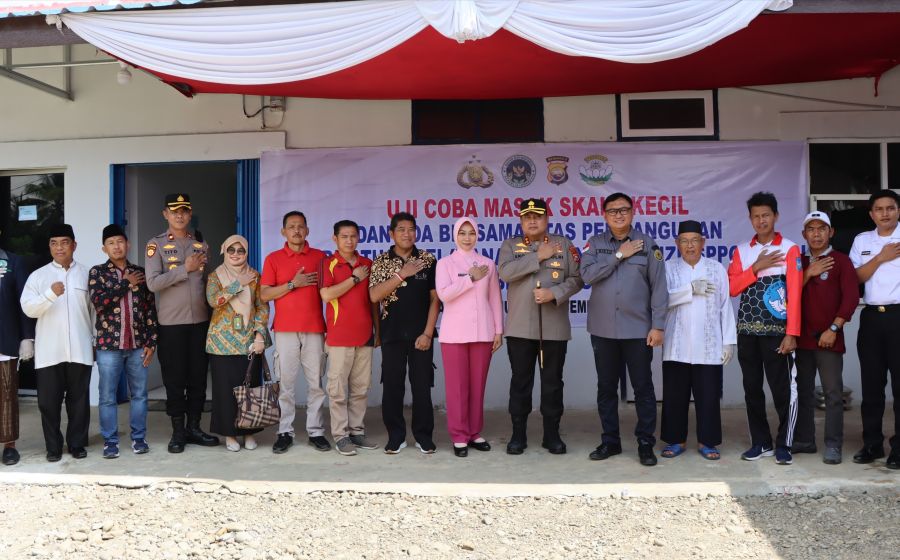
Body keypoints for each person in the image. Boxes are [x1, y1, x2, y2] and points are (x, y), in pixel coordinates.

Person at [580, 192, 667, 466]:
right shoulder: (595, 244)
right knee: (606, 388)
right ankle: (610, 441)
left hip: (638, 330)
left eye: (623, 210)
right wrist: (619, 255)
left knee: (643, 388)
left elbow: (659, 288)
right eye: (612, 211)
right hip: (603, 330)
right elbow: (586, 276)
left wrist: (658, 326)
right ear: (604, 215)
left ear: (633, 212)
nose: (618, 215)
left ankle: (645, 443)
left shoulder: (647, 244)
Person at [498, 199, 582, 456]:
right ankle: (518, 434)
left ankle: (551, 434)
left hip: (553, 327)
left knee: (552, 383)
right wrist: (538, 257)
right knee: (520, 382)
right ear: (521, 221)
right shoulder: (510, 245)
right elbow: (505, 273)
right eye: (527, 217)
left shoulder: (563, 244)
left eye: (537, 216)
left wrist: (554, 293)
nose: (532, 221)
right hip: (520, 327)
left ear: (547, 219)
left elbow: (577, 279)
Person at [728, 191, 801, 465]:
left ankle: (784, 444)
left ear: (776, 216)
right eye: (756, 216)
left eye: (766, 215)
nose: (761, 220)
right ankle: (761, 443)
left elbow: (795, 293)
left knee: (783, 390)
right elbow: (732, 288)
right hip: (747, 332)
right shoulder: (742, 251)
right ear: (750, 219)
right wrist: (756, 268)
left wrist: (792, 333)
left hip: (777, 334)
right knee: (752, 390)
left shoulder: (790, 249)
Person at [145, 193, 219, 453]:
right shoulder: (155, 245)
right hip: (171, 325)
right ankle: (178, 432)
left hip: (200, 322)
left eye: (184, 211)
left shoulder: (201, 244)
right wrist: (183, 269)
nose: (179, 215)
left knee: (198, 378)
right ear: (166, 214)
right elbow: (152, 283)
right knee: (175, 380)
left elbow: (207, 283)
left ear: (190, 214)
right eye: (174, 211)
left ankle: (194, 428)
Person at [660, 220, 736, 461]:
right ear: (677, 243)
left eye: (694, 240)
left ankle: (708, 441)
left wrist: (728, 342)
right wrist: (689, 289)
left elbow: (725, 306)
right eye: (684, 241)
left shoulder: (716, 269)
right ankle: (676, 440)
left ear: (703, 242)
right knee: (675, 396)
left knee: (709, 396)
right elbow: (661, 302)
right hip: (676, 345)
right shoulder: (668, 268)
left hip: (708, 345)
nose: (690, 245)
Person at [20, 224, 93, 462]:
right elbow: (28, 308)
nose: (59, 247)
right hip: (49, 351)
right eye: (54, 243)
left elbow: (94, 312)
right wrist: (50, 294)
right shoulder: (38, 276)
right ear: (49, 247)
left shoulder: (86, 274)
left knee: (79, 402)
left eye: (64, 242)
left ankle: (77, 444)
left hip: (80, 348)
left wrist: (94, 340)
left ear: (74, 245)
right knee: (48, 404)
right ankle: (53, 447)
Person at [369, 212, 439, 454]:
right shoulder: (381, 261)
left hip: (421, 335)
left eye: (411, 229)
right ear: (391, 233)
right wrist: (402, 274)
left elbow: (435, 299)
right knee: (392, 387)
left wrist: (428, 333)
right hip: (392, 333)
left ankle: (423, 435)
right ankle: (396, 436)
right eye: (401, 229)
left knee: (422, 386)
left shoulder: (427, 260)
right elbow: (374, 296)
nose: (407, 234)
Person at [260, 211, 329, 454]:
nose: (296, 230)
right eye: (291, 226)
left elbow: (330, 293)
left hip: (314, 329)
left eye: (301, 226)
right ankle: (285, 432)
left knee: (316, 384)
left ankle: (316, 432)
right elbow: (264, 294)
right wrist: (292, 284)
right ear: (283, 232)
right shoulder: (273, 259)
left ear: (307, 230)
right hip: (285, 330)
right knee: (286, 385)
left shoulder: (320, 257)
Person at [794, 211, 858, 465]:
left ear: (831, 232)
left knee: (832, 393)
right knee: (803, 392)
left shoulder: (841, 261)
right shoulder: (799, 262)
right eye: (811, 229)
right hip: (801, 340)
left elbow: (851, 298)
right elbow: (788, 294)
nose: (816, 234)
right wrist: (808, 273)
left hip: (829, 339)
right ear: (804, 234)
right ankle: (805, 440)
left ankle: (833, 444)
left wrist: (834, 328)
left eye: (822, 228)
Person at [89, 224, 158, 458]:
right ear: (104, 248)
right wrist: (126, 283)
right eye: (111, 243)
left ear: (127, 244)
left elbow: (150, 309)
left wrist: (152, 342)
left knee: (139, 394)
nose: (116, 246)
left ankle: (139, 438)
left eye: (120, 241)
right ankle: (110, 441)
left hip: (138, 345)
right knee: (107, 396)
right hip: (109, 346)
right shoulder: (97, 273)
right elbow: (99, 303)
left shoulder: (140, 272)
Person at [436, 217, 503, 458]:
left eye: (471, 232)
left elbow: (494, 297)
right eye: (462, 233)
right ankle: (459, 435)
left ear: (477, 235)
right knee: (457, 387)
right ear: (455, 235)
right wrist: (469, 278)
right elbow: (444, 294)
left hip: (482, 332)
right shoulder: (445, 264)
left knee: (477, 385)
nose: (467, 237)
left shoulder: (487, 263)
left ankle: (474, 432)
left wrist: (498, 330)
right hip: (454, 334)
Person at [849, 189, 900, 470]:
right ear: (871, 214)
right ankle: (872, 444)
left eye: (890, 208)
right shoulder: (862, 240)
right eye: (879, 209)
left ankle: (899, 449)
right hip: (871, 318)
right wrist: (880, 257)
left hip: (898, 315)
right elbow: (855, 277)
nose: (885, 213)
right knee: (871, 386)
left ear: (898, 210)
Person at [206, 235, 271, 452]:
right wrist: (237, 284)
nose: (236, 254)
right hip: (221, 344)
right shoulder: (215, 276)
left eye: (240, 250)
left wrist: (260, 335)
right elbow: (214, 301)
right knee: (226, 392)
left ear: (246, 253)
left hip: (248, 342)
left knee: (250, 389)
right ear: (224, 251)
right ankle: (230, 434)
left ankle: (249, 432)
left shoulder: (255, 276)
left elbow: (262, 306)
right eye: (231, 250)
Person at [319, 220, 379, 456]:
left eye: (353, 236)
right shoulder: (328, 263)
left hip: (364, 335)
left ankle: (356, 432)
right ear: (335, 239)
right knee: (337, 391)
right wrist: (354, 279)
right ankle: (341, 436)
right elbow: (327, 295)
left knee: (360, 388)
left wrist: (377, 331)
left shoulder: (367, 264)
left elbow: (373, 301)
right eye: (344, 236)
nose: (349, 241)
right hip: (339, 337)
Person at [0, 231, 35, 466]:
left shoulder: (13, 262)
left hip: (5, 340)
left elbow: (23, 302)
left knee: (7, 395)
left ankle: (9, 445)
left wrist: (26, 337)